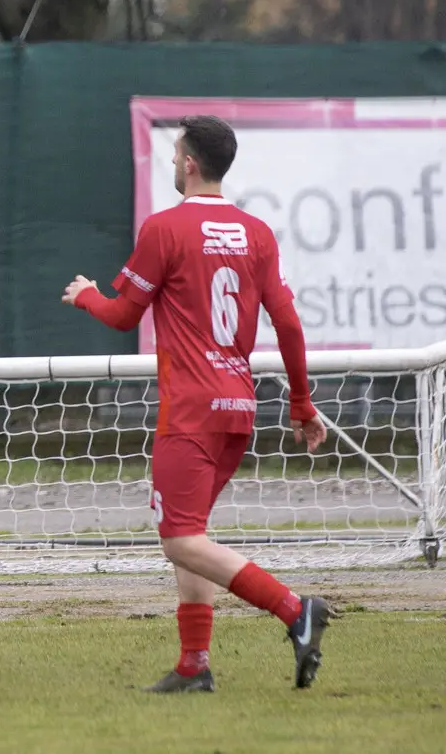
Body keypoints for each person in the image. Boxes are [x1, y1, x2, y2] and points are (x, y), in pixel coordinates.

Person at [61, 114, 331, 692]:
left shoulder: (166, 229)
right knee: (194, 536)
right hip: (239, 408)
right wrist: (302, 404)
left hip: (189, 410)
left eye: (175, 153)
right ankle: (194, 667)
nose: (171, 162)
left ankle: (293, 610)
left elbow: (123, 314)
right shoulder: (256, 232)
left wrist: (86, 297)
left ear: (187, 162)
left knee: (179, 539)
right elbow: (287, 324)